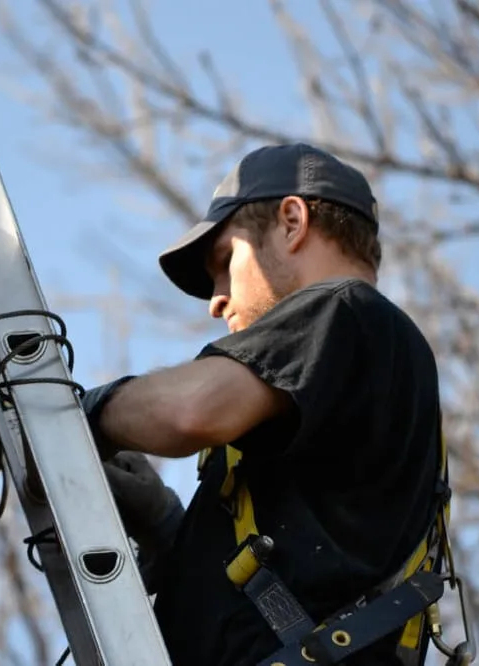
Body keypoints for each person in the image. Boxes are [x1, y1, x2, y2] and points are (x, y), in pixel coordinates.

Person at [81, 142, 445, 666]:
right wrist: (170, 532)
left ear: (292, 222)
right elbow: (313, 571)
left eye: (226, 261)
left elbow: (188, 411)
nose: (216, 300)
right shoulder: (355, 368)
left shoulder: (345, 311)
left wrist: (87, 414)